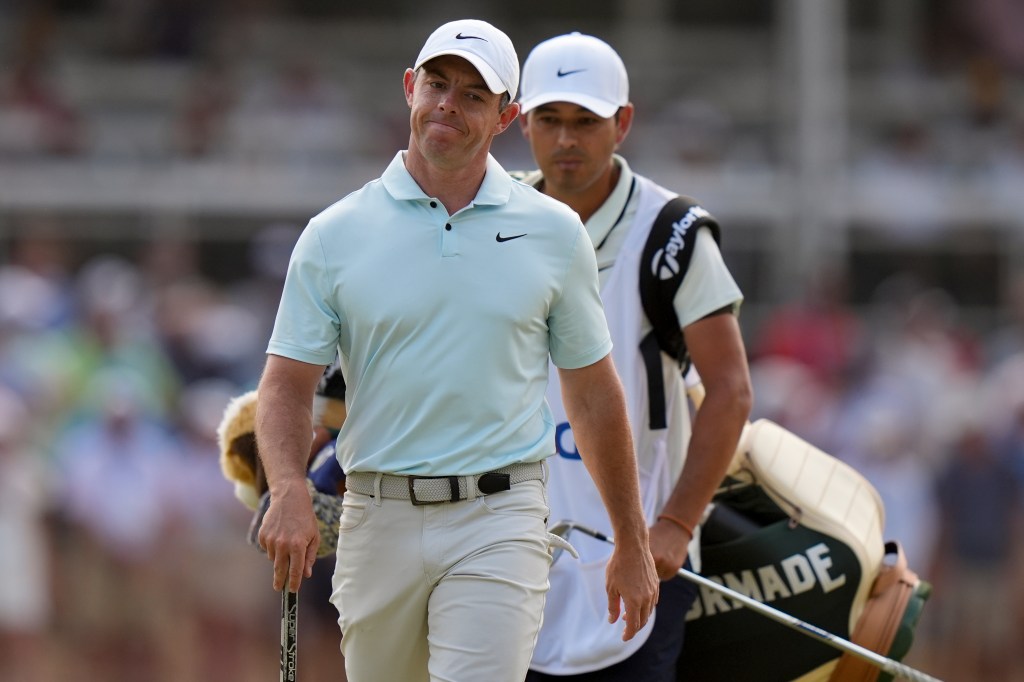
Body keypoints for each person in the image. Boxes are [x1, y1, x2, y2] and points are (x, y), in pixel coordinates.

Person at [253, 19, 659, 682]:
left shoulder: (554, 233)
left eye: (474, 95)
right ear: (410, 89)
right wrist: (289, 487)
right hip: (376, 518)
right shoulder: (335, 234)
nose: (448, 102)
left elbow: (592, 394)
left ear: (505, 117)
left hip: (500, 519)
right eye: (438, 84)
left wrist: (631, 540)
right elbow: (286, 386)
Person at [513, 33, 753, 681]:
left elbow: (731, 392)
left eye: (586, 121)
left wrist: (675, 524)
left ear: (622, 123)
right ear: (521, 121)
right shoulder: (490, 215)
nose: (567, 140)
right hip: (509, 552)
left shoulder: (671, 233)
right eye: (550, 120)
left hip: (638, 553)